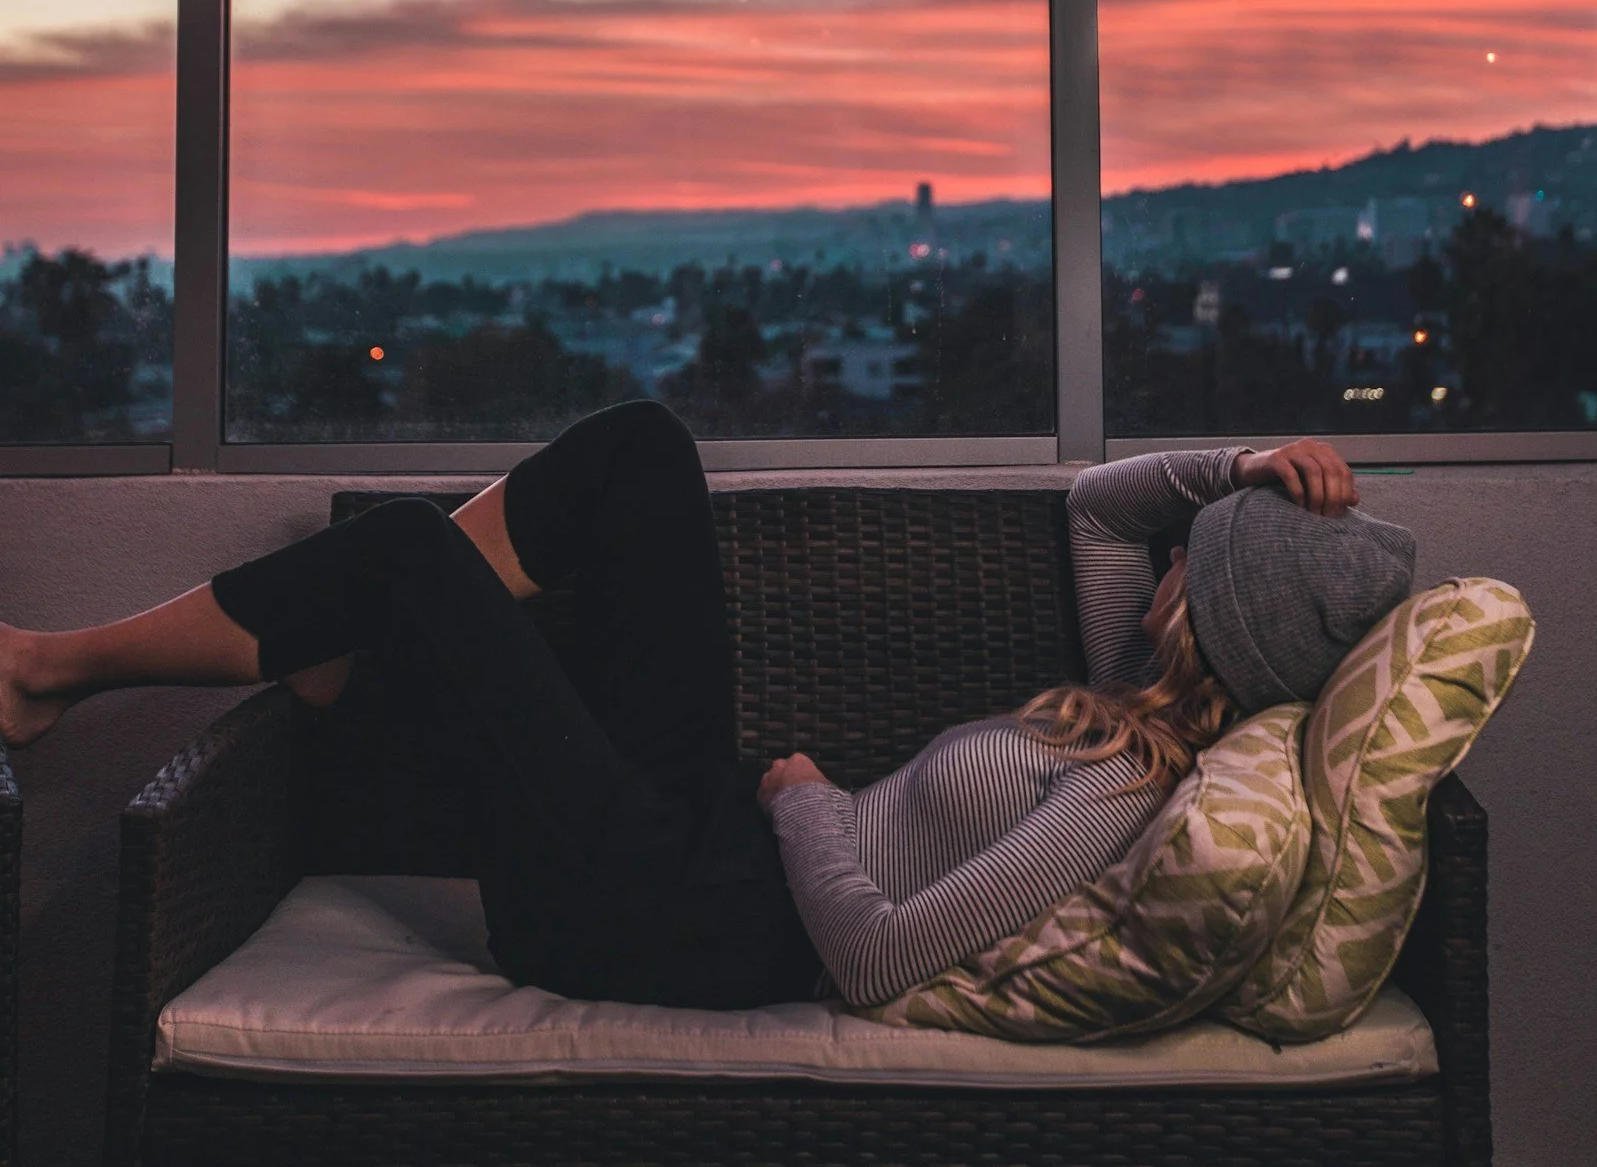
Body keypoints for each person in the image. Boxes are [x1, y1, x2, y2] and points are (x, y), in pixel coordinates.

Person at [0, 401, 1414, 1013]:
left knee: (409, 555)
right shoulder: (1123, 701)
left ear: (1215, 619)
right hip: (699, 837)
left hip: (684, 925)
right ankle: (362, 664)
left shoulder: (1124, 792)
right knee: (639, 453)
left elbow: (876, 959)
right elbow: (1101, 505)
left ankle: (50, 672)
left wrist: (806, 804)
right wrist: (1240, 464)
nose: (1168, 559)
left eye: (1198, 560)